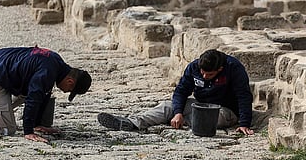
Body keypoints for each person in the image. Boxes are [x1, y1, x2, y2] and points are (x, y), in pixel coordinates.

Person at [0, 46, 92, 143]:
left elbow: (42, 94)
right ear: (70, 82)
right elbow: (34, 98)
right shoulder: (48, 73)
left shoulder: (56, 61)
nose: (66, 92)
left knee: (38, 92)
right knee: (7, 129)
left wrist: (38, 124)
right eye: (69, 90)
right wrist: (28, 131)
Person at [98, 49, 254, 135]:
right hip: (200, 104)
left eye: (210, 75)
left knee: (208, 119)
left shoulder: (233, 68)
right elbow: (181, 91)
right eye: (203, 73)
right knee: (168, 106)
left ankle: (176, 120)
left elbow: (243, 96)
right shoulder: (194, 67)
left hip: (224, 110)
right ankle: (131, 123)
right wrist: (178, 111)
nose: (205, 76)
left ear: (220, 69)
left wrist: (245, 123)